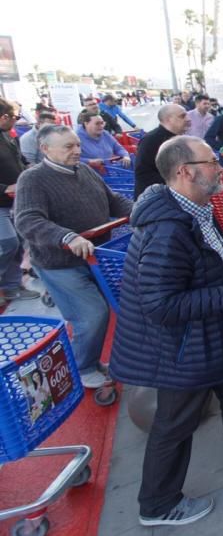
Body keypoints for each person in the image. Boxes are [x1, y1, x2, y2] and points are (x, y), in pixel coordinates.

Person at [108, 135, 223, 527]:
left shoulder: (197, 210)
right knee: (176, 424)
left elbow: (210, 262)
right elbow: (163, 305)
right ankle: (156, 505)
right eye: (212, 163)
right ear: (185, 171)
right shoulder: (167, 230)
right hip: (186, 348)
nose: (221, 167)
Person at [15, 124, 132, 388]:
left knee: (99, 312)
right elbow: (28, 219)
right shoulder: (32, 179)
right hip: (60, 263)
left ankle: (89, 360)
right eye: (68, 146)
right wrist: (66, 236)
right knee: (91, 314)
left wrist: (140, 211)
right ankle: (83, 367)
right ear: (45, 149)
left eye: (77, 145)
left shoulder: (86, 171)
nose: (77, 150)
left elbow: (112, 201)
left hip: (97, 256)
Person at [0, 99, 40, 303]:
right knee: (8, 242)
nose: (16, 121)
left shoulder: (8, 137)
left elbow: (21, 161)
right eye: (14, 117)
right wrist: (4, 188)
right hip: (2, 202)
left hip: (15, 201)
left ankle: (11, 286)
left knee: (17, 244)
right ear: (4, 117)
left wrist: (32, 169)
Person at [135, 105, 190, 199]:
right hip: (156, 199)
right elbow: (143, 173)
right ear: (168, 119)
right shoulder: (151, 140)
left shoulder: (182, 137)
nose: (188, 119)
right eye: (182, 116)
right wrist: (177, 181)